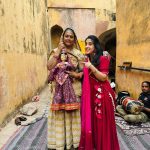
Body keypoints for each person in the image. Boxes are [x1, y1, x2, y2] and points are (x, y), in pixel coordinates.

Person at [79, 35, 120, 150]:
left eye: (90, 43)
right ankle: (96, 144)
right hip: (91, 94)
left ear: (96, 46)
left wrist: (91, 66)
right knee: (94, 122)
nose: (87, 46)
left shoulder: (102, 58)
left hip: (102, 94)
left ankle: (104, 146)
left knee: (101, 123)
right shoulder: (87, 59)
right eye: (86, 43)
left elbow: (103, 78)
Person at [47, 28, 84, 150]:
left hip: (74, 90)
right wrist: (58, 51)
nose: (68, 38)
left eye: (71, 36)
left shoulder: (78, 54)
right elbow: (49, 66)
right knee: (59, 115)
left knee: (72, 116)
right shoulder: (55, 51)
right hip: (58, 91)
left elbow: (83, 72)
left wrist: (76, 75)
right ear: (62, 38)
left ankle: (73, 143)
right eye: (66, 36)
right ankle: (59, 143)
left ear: (74, 39)